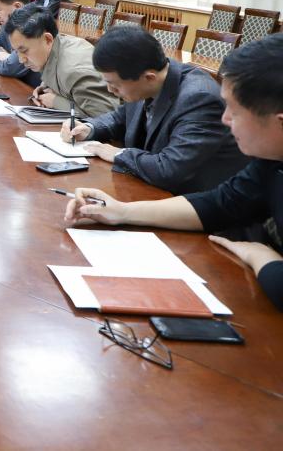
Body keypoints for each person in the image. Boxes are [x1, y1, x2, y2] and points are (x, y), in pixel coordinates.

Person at [65, 34, 283, 311]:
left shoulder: (199, 96)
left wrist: (262, 256)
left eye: (235, 112)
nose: (225, 119)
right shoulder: (270, 160)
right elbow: (221, 203)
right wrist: (121, 212)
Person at [60, 26, 248, 194]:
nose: (110, 90)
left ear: (149, 77)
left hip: (192, 202)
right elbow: (120, 118)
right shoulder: (145, 78)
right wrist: (89, 128)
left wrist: (119, 154)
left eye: (115, 85)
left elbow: (170, 169)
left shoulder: (199, 99)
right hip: (151, 188)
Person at [5, 4, 119, 118]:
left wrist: (55, 101)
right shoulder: (57, 44)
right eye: (16, 52)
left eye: (24, 50)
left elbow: (107, 117)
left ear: (47, 39)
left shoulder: (75, 71)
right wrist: (45, 87)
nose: (21, 60)